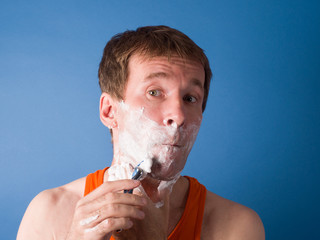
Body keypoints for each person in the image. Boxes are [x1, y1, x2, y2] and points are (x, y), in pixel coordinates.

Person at [17, 25, 265, 240]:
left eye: (190, 98)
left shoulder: (237, 224)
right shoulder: (50, 211)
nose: (178, 116)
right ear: (109, 111)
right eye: (154, 92)